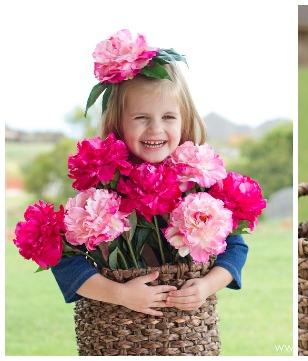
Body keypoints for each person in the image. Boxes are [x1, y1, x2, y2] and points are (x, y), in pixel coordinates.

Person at [52, 31, 248, 317]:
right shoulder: (101, 191)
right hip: (117, 330)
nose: (156, 129)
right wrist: (119, 293)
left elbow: (236, 248)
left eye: (168, 117)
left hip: (185, 331)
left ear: (184, 120)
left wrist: (206, 286)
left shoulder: (197, 184)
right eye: (141, 118)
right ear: (118, 122)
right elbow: (64, 260)